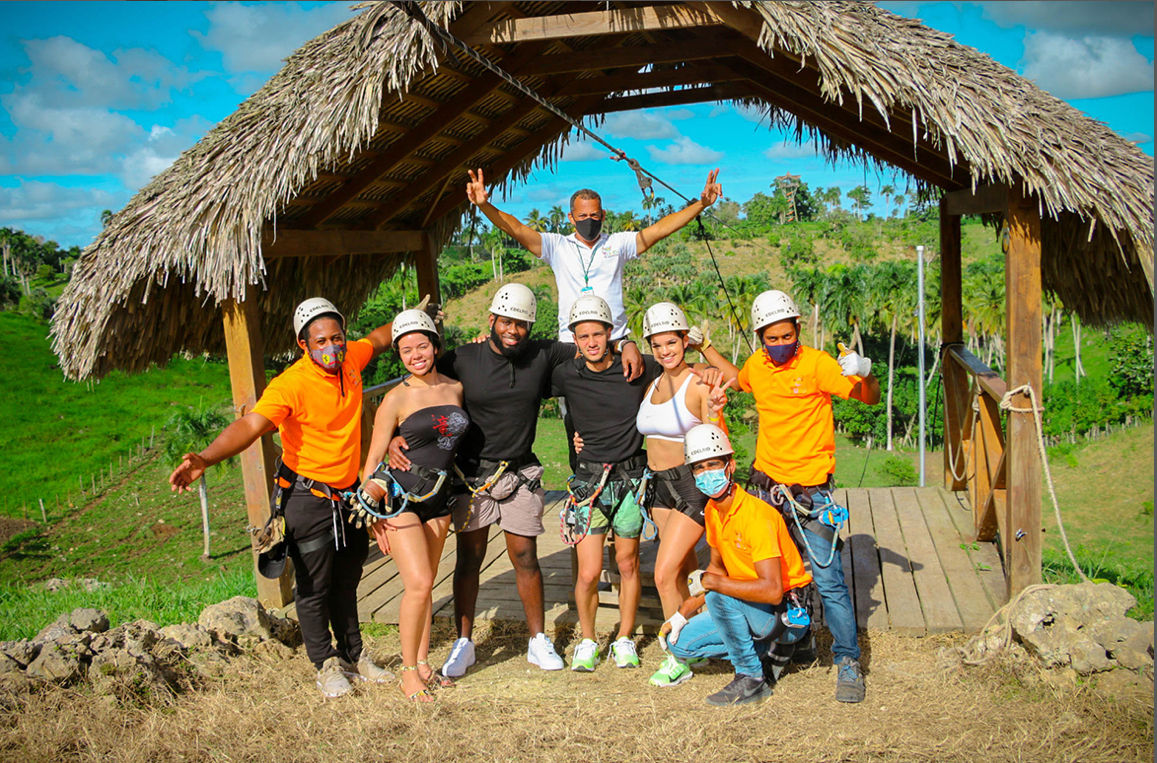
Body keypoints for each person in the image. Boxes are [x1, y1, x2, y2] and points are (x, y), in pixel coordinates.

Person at [387, 284, 637, 678]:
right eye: (506, 322)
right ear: (492, 321)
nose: (513, 330)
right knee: (470, 559)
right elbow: (420, 385)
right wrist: (393, 436)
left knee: (525, 557)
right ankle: (463, 642)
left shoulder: (542, 353)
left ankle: (538, 640)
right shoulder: (463, 358)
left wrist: (629, 345)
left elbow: (593, 346)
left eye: (521, 324)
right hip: (471, 475)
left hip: (519, 472)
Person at [168, 297, 398, 698]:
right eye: (321, 341)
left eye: (337, 338)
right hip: (308, 497)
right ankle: (324, 664)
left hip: (349, 496)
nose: (332, 348)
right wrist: (205, 457)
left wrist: (411, 321)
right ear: (303, 345)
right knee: (313, 586)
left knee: (347, 579)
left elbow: (378, 340)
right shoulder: (291, 384)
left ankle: (353, 655)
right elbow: (251, 425)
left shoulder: (350, 361)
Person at [466, 167, 722, 471]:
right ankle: (582, 488)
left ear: (603, 216)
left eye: (596, 216)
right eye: (583, 216)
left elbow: (659, 230)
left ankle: (636, 481)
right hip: (571, 349)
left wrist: (700, 204)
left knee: (631, 416)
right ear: (571, 217)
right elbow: (518, 229)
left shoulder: (618, 244)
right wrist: (484, 206)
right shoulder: (557, 246)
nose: (590, 221)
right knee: (577, 428)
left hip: (617, 346)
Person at [730, 289, 880, 703]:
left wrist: (865, 373)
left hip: (811, 494)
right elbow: (736, 380)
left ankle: (848, 659)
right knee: (776, 577)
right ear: (760, 337)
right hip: (767, 488)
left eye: (785, 336)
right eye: (770, 339)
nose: (779, 345)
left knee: (828, 580)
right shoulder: (756, 366)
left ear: (798, 329)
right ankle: (794, 641)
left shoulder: (817, 364)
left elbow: (869, 398)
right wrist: (705, 350)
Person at [660, 423, 814, 706]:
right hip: (749, 606)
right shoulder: (712, 511)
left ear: (730, 465)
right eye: (699, 468)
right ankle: (769, 649)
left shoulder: (757, 516)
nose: (707, 474)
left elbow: (771, 591)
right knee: (678, 644)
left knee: (719, 594)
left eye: (713, 464)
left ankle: (751, 678)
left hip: (784, 611)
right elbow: (717, 568)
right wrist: (684, 611)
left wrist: (713, 583)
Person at [357, 309, 468, 701]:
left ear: (435, 346)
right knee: (419, 583)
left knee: (426, 583)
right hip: (402, 497)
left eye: (422, 345)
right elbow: (371, 462)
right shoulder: (395, 397)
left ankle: (422, 664)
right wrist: (373, 518)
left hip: (439, 496)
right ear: (399, 356)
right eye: (406, 349)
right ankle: (407, 674)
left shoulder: (455, 388)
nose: (415, 354)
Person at [550, 295, 659, 672]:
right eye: (584, 336)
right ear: (574, 339)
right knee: (588, 571)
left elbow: (678, 366)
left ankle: (625, 638)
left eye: (598, 334)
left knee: (628, 563)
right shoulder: (566, 374)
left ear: (611, 333)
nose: (592, 342)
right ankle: (588, 640)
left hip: (629, 481)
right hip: (589, 484)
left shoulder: (637, 367)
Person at [633, 301, 731, 688]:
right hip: (658, 486)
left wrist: (717, 408)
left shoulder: (700, 381)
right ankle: (699, 639)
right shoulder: (653, 382)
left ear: (685, 342)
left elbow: (714, 432)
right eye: (656, 345)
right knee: (687, 573)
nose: (664, 351)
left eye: (671, 342)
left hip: (690, 487)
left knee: (663, 573)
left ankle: (678, 655)